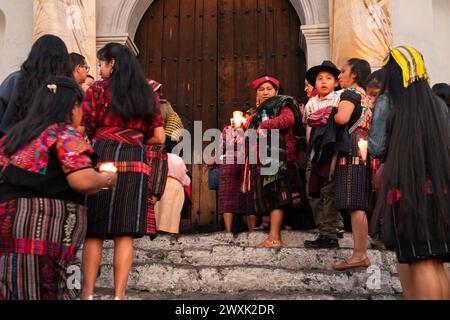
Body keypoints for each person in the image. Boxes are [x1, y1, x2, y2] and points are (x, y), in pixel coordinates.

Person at [0, 76, 117, 300]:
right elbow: (81, 180)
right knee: (50, 288)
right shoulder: (64, 134)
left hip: (8, 225)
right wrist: (105, 179)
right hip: (43, 229)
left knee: (12, 285)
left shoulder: (15, 135)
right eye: (80, 107)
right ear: (71, 106)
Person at [80, 43, 165, 300]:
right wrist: (135, 139)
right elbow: (159, 137)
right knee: (124, 231)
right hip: (135, 161)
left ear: (112, 63)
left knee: (95, 230)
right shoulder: (148, 93)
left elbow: (84, 128)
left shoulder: (97, 89)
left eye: (101, 63)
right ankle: (120, 296)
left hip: (102, 155)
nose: (99, 69)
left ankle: (88, 293)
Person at [369, 46, 450, 300]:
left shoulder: (388, 101)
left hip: (407, 189)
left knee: (420, 261)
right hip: (439, 189)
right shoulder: (437, 103)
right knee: (436, 262)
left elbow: (376, 147)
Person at [242, 76, 302, 248]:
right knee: (268, 195)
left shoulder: (283, 103)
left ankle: (274, 237)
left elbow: (287, 120)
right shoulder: (257, 112)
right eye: (261, 89)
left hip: (278, 157)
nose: (265, 92)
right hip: (262, 159)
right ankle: (270, 229)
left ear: (276, 91)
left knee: (277, 196)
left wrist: (264, 125)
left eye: (269, 88)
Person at [332, 58, 372, 271]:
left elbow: (341, 119)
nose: (339, 76)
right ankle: (360, 252)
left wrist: (327, 112)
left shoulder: (350, 94)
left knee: (354, 204)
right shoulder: (366, 97)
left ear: (354, 74)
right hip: (364, 150)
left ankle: (359, 254)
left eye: (343, 71)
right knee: (359, 203)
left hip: (350, 150)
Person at [302, 61, 344, 248]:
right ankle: (324, 228)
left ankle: (330, 232)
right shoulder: (311, 103)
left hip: (329, 151)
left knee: (329, 191)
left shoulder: (339, 99)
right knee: (313, 191)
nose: (324, 82)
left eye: (328, 78)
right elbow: (307, 127)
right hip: (313, 152)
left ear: (336, 82)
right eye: (320, 79)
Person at [0, 34, 73, 138]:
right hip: (55, 147)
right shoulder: (68, 87)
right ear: (64, 60)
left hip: (14, 145)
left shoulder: (14, 81)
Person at [218, 116, 247, 233]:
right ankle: (234, 230)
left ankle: (229, 230)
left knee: (231, 197)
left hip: (236, 164)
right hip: (242, 163)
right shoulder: (231, 130)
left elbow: (221, 148)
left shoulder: (229, 130)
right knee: (242, 195)